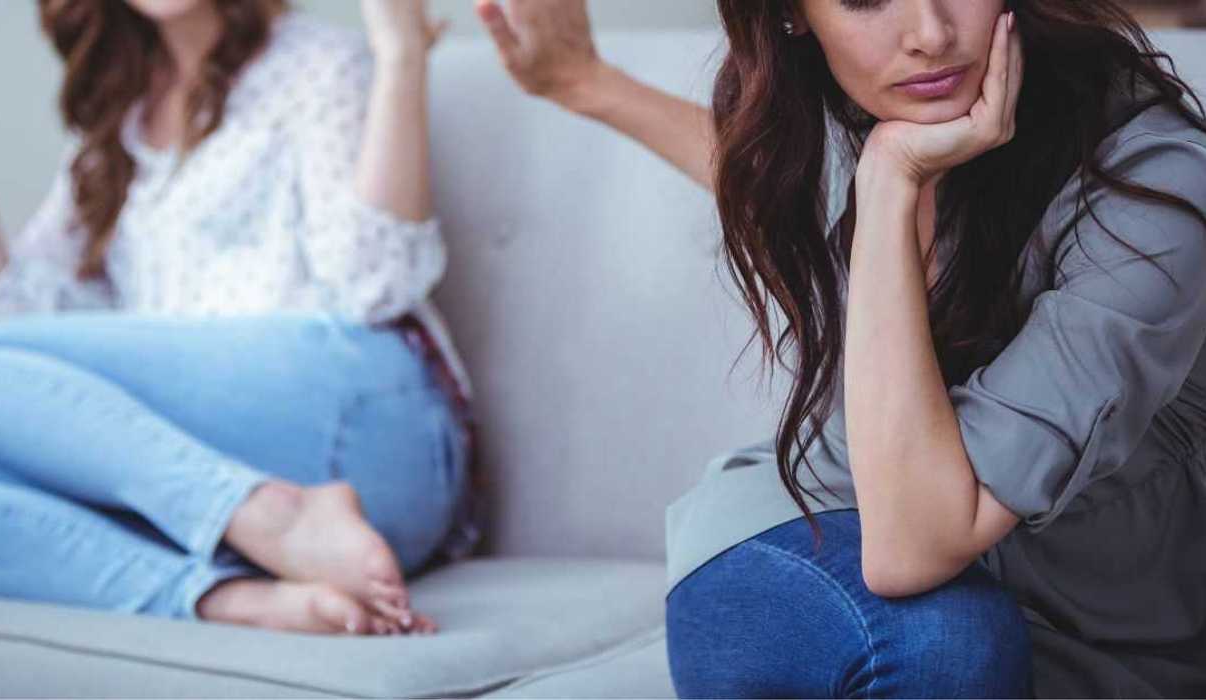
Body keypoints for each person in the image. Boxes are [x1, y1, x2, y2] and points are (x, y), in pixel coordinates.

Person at [476, 0, 1206, 695]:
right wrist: (583, 83)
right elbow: (764, 180)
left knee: (969, 646)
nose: (929, 32)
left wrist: (891, 175)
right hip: (810, 537)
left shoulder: (1151, 188)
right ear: (793, 14)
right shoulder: (866, 117)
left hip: (1079, 626)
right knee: (947, 645)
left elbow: (918, 543)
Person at [0, 0, 483, 637]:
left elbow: (376, 285)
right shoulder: (118, 116)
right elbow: (4, 343)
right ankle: (220, 596)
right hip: (221, 477)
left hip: (368, 429)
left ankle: (263, 514)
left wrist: (401, 57)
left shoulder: (316, 64)